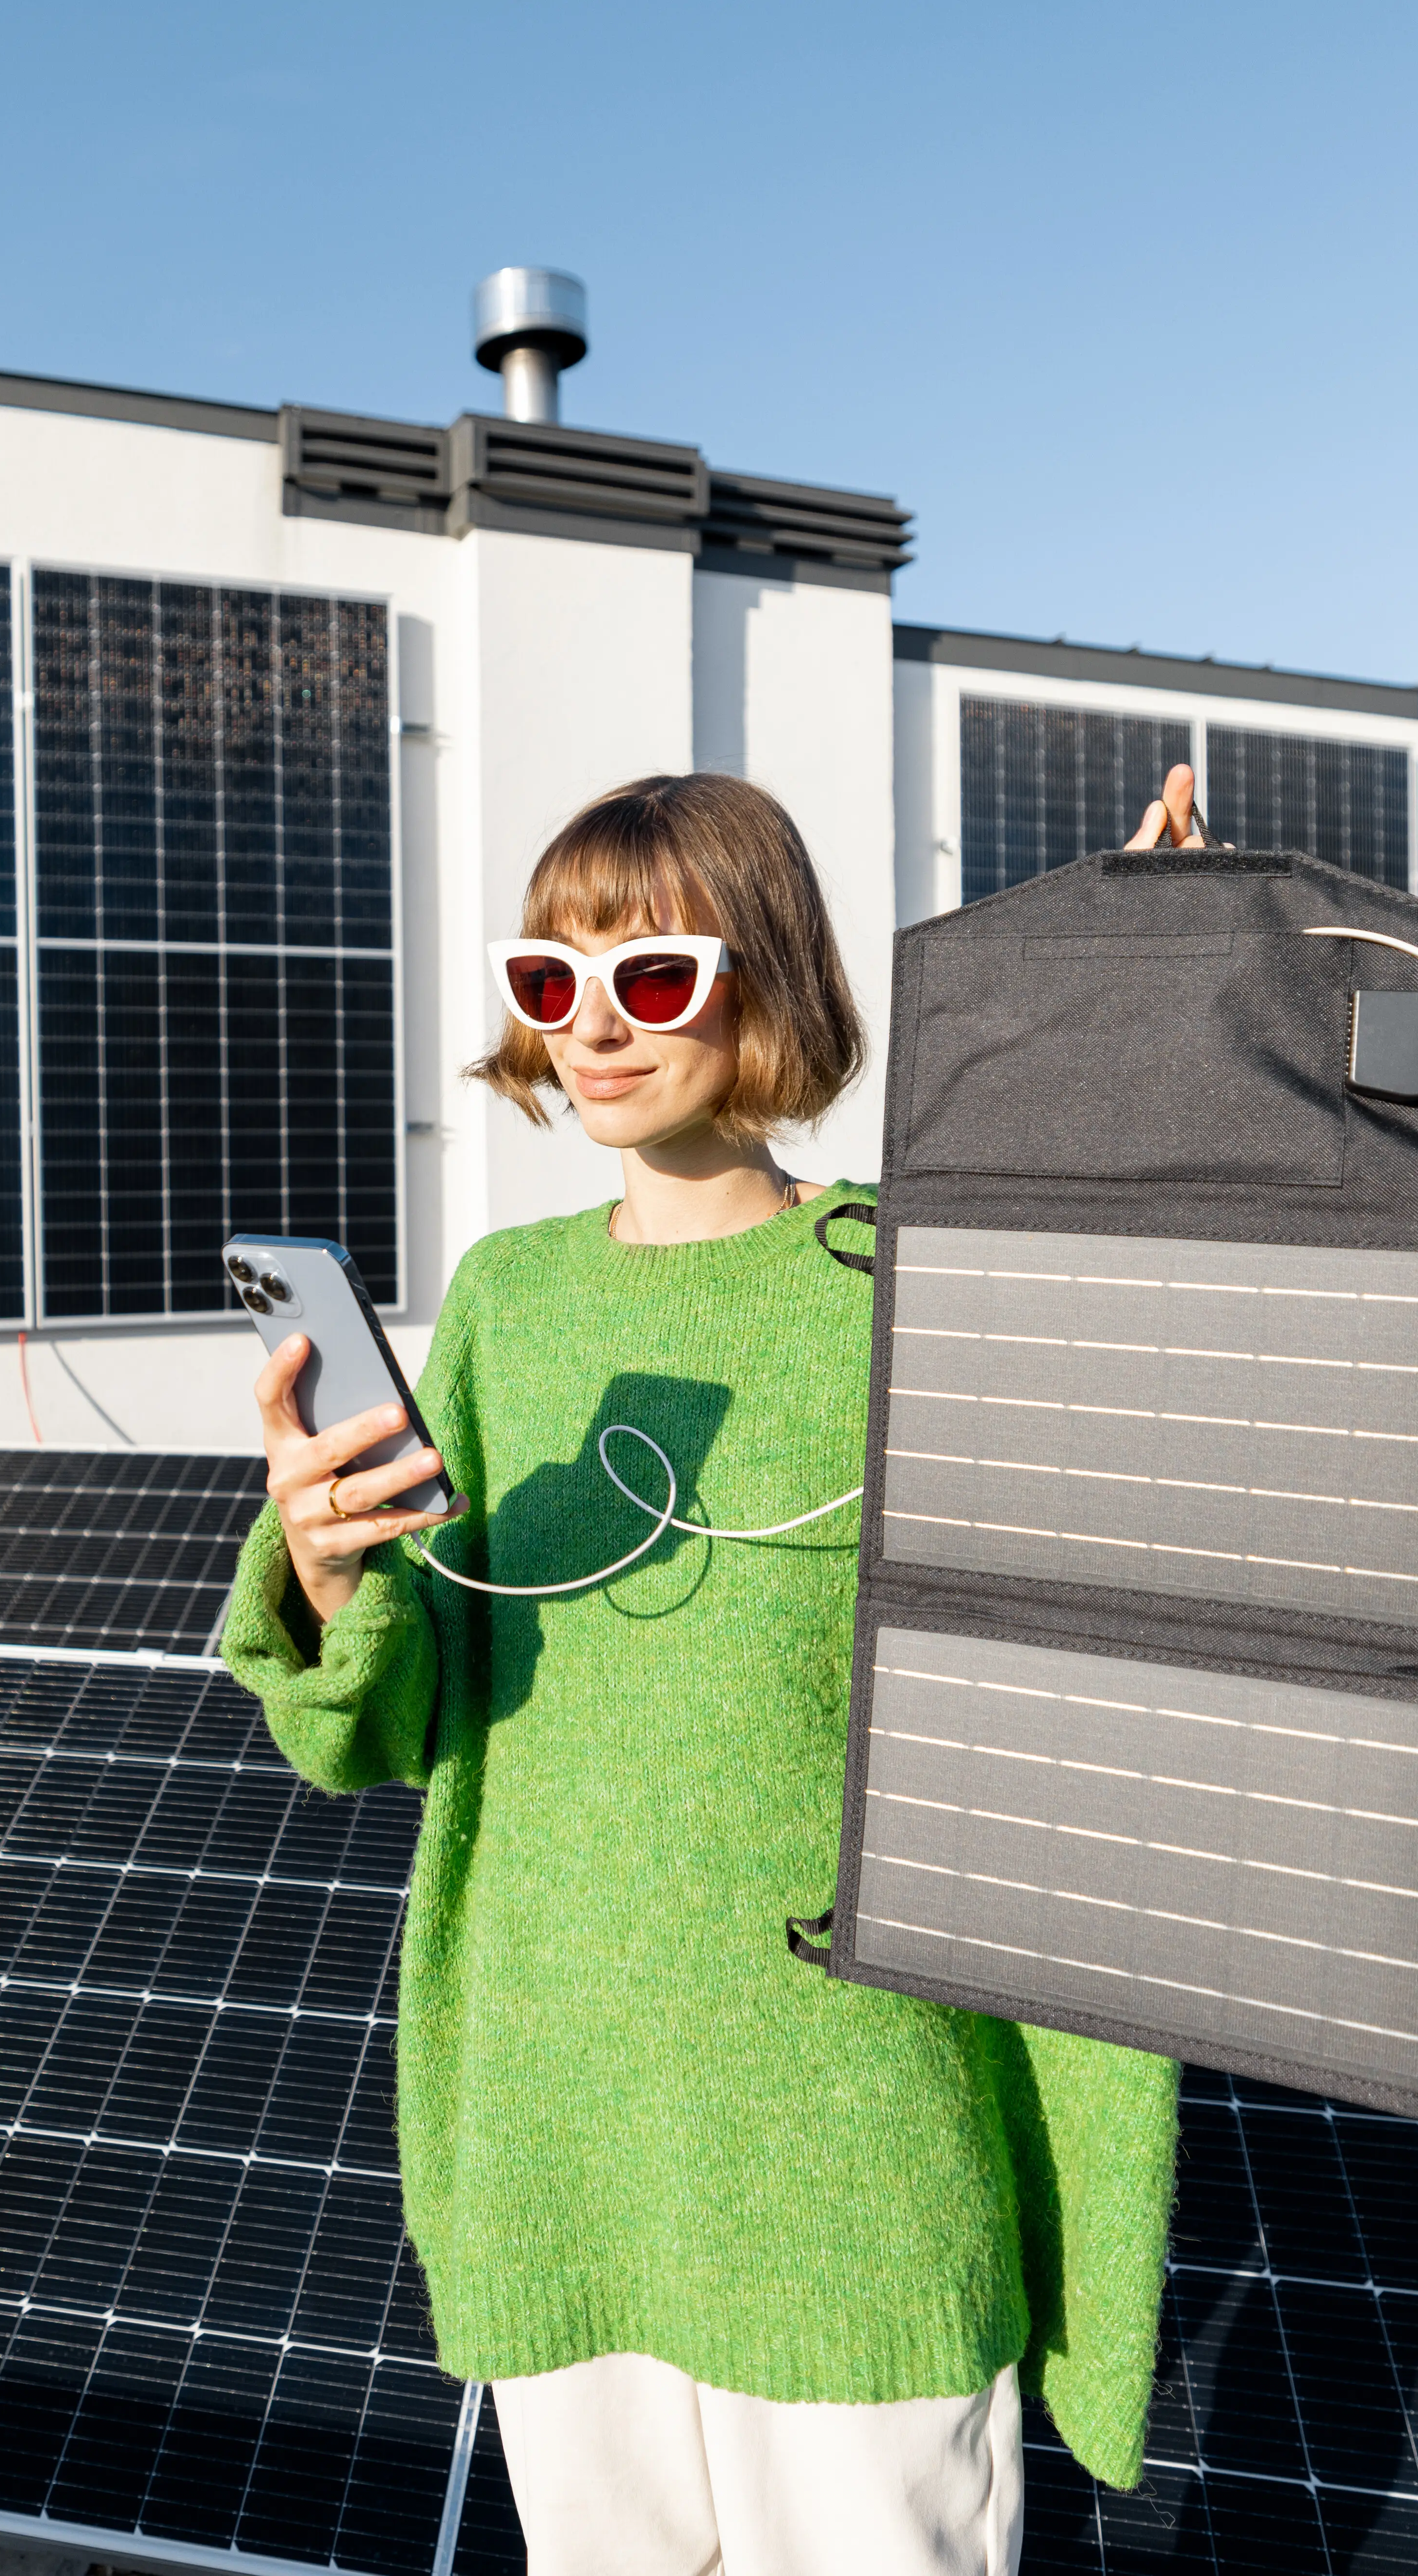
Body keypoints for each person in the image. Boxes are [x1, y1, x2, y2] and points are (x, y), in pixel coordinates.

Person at [221, 770, 1190, 2576]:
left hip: (855, 2132)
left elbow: (1141, 1361)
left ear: (769, 984)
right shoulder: (510, 1298)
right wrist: (332, 1568)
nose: (591, 1027)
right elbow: (411, 1722)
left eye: (652, 976)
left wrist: (1129, 987)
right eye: (550, 977)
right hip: (560, 2113)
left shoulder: (907, 1277)